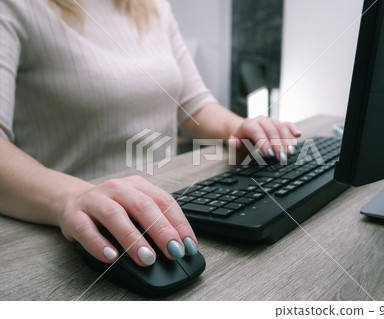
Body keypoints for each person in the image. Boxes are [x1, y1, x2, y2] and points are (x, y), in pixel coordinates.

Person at [0, 0, 301, 267]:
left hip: (166, 207)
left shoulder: (153, 6)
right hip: (61, 225)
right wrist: (73, 197)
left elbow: (193, 105)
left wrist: (238, 127)